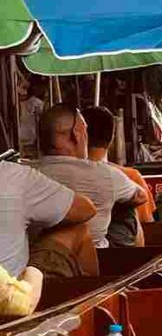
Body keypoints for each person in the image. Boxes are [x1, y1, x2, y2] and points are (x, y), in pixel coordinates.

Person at [35, 104, 146, 257]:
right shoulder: (108, 175)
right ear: (76, 134)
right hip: (97, 262)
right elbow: (141, 196)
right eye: (85, 130)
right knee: (127, 206)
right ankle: (132, 262)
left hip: (37, 260)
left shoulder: (25, 174)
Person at [0, 160, 96, 289]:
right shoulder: (13, 175)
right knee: (78, 229)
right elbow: (85, 210)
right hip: (13, 299)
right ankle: (99, 296)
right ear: (76, 138)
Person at [81, 106, 156, 247]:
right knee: (132, 207)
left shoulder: (63, 173)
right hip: (117, 252)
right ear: (112, 139)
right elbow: (148, 225)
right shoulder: (127, 176)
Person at [17, 79, 45, 159]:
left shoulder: (36, 103)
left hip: (32, 141)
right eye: (22, 88)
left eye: (25, 88)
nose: (23, 92)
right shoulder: (15, 103)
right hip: (20, 142)